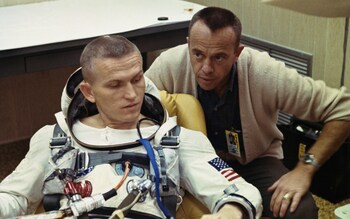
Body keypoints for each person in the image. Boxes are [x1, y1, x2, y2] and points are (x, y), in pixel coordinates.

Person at [0, 35, 262, 219]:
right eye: (115, 85)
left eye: (136, 80)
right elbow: (13, 196)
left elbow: (240, 191)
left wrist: (229, 212)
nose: (132, 95)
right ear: (88, 92)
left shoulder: (172, 139)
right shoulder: (54, 139)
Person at [144, 6, 350, 219]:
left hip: (254, 162)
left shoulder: (265, 72)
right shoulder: (170, 64)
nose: (206, 67)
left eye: (219, 58)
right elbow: (133, 108)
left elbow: (344, 109)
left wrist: (305, 168)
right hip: (191, 163)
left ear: (237, 54)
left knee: (300, 211)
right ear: (188, 44)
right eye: (198, 54)